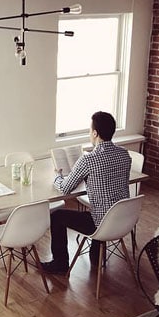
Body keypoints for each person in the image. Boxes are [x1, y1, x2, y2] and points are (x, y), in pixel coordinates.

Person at [41, 111, 132, 274]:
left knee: (57, 217)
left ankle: (60, 264)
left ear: (95, 133)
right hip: (124, 219)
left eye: (90, 130)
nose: (90, 133)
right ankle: (97, 256)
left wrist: (57, 176)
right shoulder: (124, 155)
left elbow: (64, 188)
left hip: (101, 224)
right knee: (105, 205)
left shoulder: (89, 160)